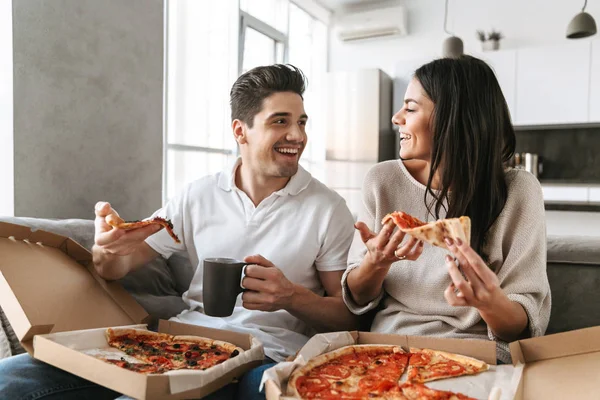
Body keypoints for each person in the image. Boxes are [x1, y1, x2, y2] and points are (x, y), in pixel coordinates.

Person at [0, 64, 357, 400]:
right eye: (281, 121)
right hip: (177, 341)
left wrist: (291, 297)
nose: (297, 135)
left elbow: (346, 314)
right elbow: (114, 269)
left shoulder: (328, 209)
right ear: (240, 131)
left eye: (302, 122)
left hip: (262, 357)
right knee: (10, 378)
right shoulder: (197, 195)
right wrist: (107, 250)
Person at [342, 56, 551, 363]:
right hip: (388, 350)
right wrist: (376, 261)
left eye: (410, 108)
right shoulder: (381, 181)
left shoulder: (518, 190)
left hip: (478, 356)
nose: (396, 118)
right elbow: (357, 296)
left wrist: (489, 302)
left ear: (455, 117)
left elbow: (522, 327)